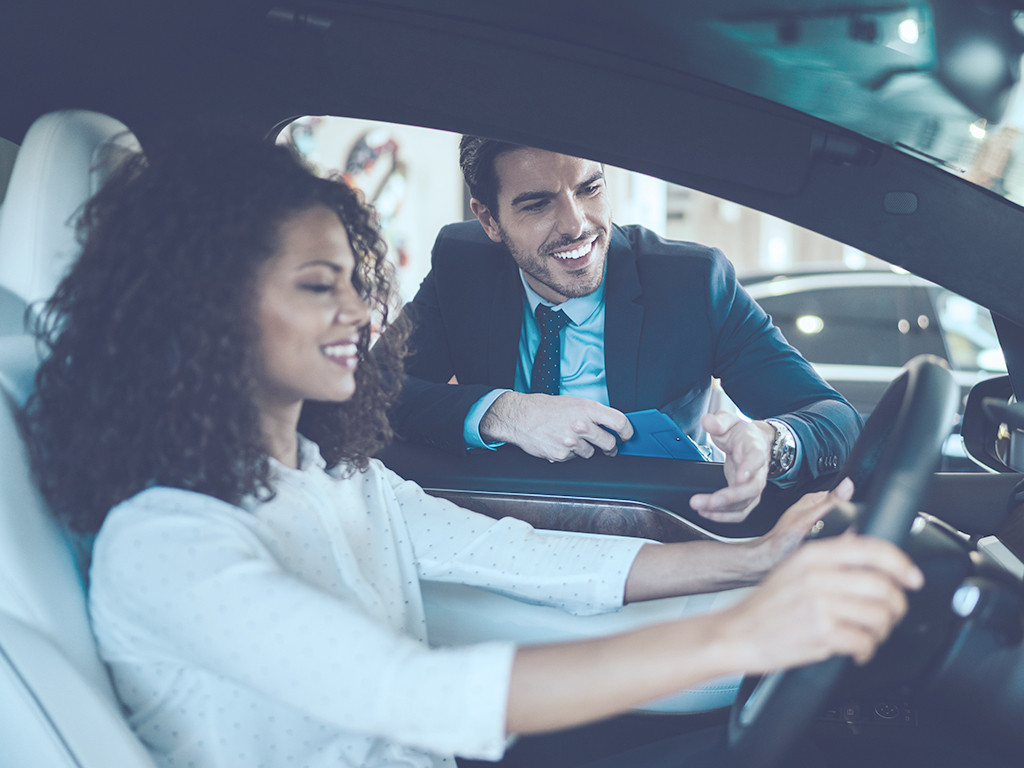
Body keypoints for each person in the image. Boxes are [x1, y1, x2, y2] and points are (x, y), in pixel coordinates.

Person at [25, 126, 919, 768]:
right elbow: (411, 688)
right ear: (205, 312)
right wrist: (745, 633)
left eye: (354, 281)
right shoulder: (168, 544)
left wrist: (755, 557)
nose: (362, 314)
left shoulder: (331, 475)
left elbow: (516, 552)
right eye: (315, 286)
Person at [388, 137, 863, 522]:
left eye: (589, 189)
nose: (577, 225)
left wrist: (771, 443)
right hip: (497, 531)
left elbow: (834, 418)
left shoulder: (692, 282)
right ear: (489, 219)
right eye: (537, 205)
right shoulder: (460, 263)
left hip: (651, 532)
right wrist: (507, 413)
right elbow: (374, 392)